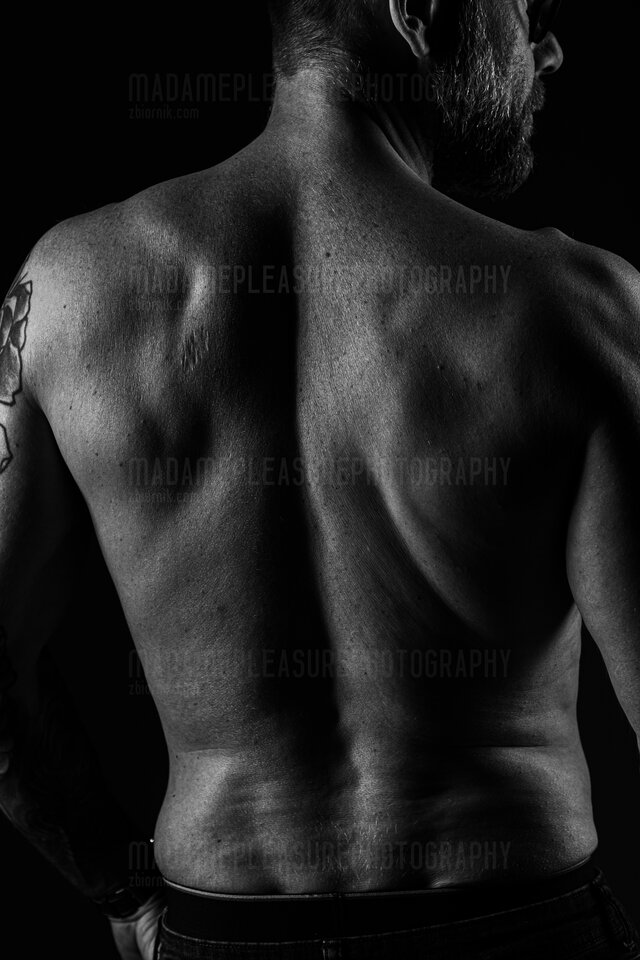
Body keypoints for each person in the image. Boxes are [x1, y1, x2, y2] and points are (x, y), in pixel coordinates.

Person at [1, 0, 639, 957]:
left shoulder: (70, 295)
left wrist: (120, 889)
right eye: (521, 8)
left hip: (223, 934)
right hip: (520, 927)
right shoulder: (580, 313)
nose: (546, 47)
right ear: (421, 11)